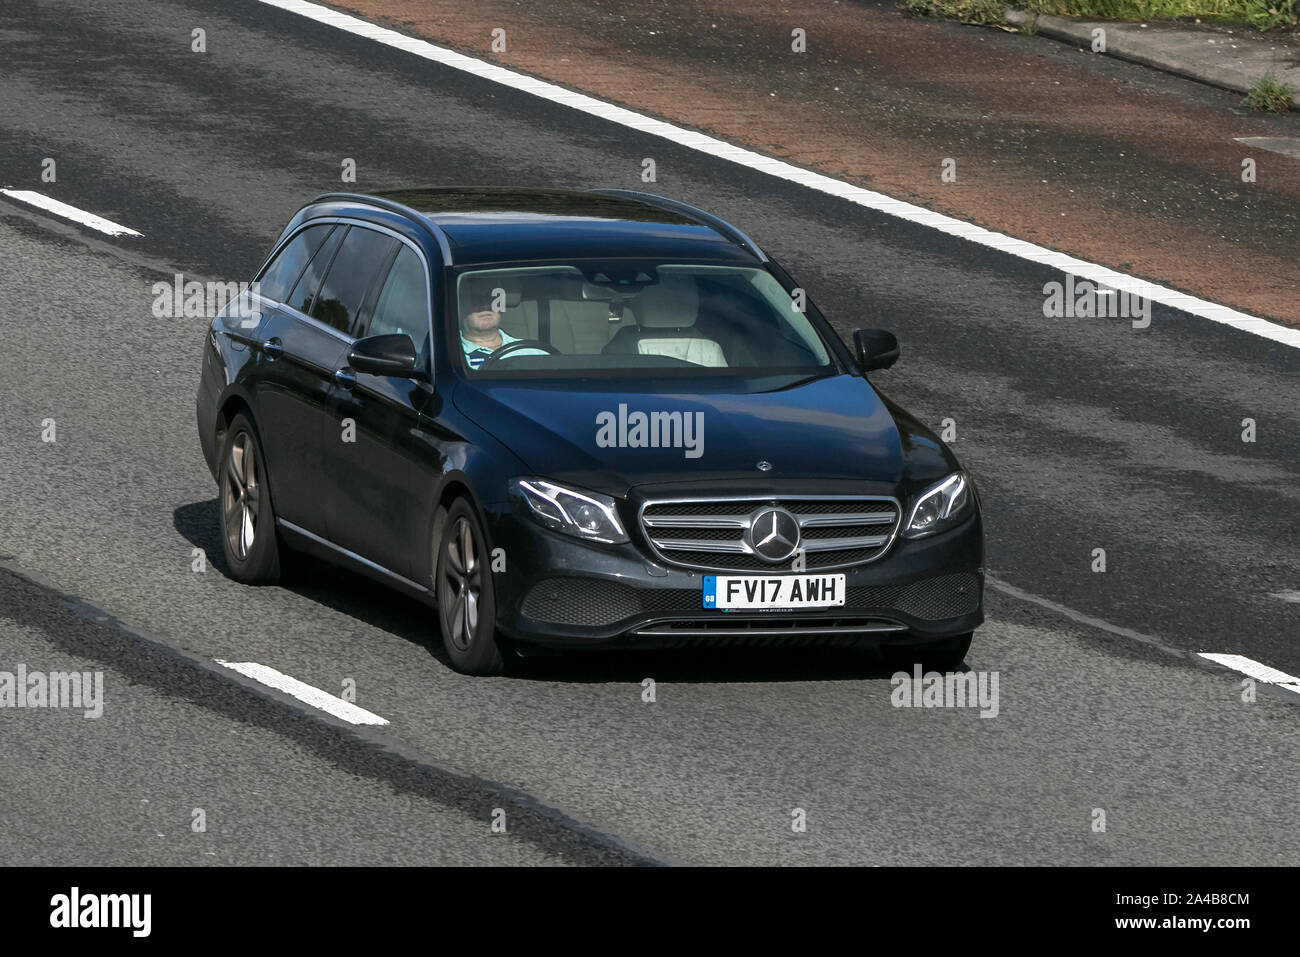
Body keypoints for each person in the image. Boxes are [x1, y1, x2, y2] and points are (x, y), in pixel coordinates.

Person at [460, 281, 521, 370]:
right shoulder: (445, 358)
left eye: (492, 298)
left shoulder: (533, 352)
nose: (485, 305)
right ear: (460, 307)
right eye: (474, 298)